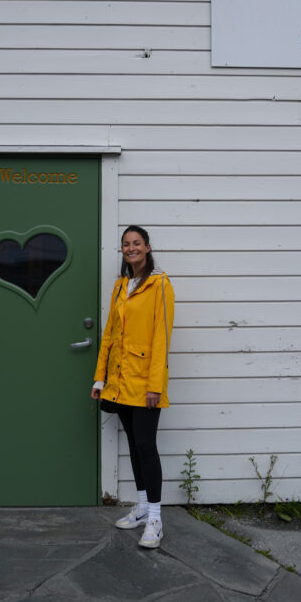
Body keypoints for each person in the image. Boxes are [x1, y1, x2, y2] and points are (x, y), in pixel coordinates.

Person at [91, 225, 175, 549]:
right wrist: (101, 379)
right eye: (126, 244)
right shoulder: (120, 286)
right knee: (135, 448)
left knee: (147, 447)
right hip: (120, 383)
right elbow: (110, 336)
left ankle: (155, 518)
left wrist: (155, 385)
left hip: (145, 385)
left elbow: (161, 337)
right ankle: (141, 507)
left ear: (148, 247)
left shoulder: (160, 285)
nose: (131, 248)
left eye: (136, 243)